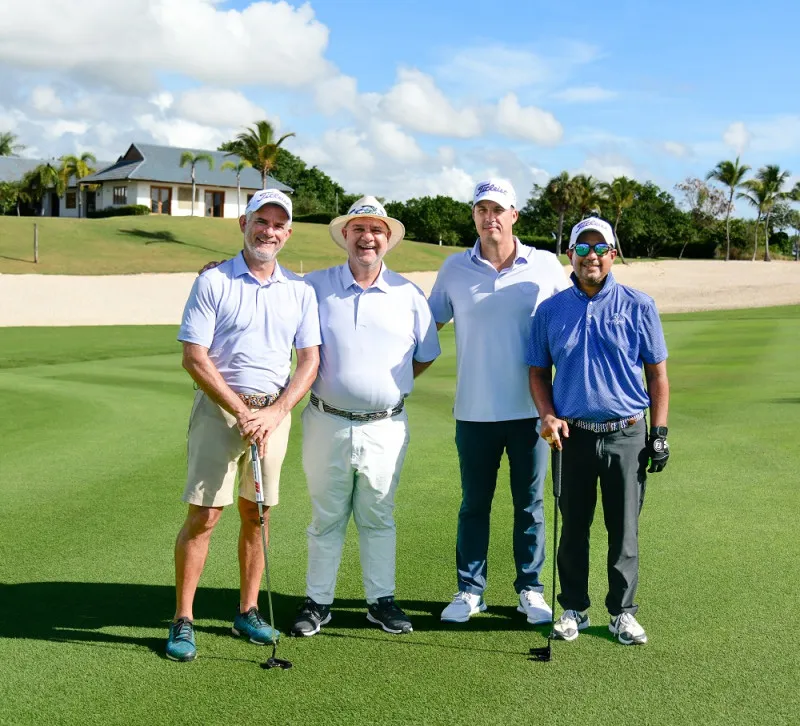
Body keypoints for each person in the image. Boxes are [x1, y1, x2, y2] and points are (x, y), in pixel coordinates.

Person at [166, 189, 321, 662]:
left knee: (259, 514)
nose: (268, 231)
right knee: (205, 515)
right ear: (243, 223)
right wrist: (239, 410)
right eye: (261, 220)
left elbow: (309, 360)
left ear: (288, 233)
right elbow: (195, 356)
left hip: (272, 418)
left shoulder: (300, 290)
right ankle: (183, 619)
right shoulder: (214, 282)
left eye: (278, 224)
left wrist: (274, 413)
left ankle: (247, 611)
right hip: (220, 412)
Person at [290, 197, 440, 637]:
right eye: (358, 229)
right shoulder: (313, 286)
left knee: (378, 515)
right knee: (326, 517)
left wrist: (385, 387)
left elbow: (425, 354)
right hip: (326, 420)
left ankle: (381, 601)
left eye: (376, 230)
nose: (367, 238)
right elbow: (268, 277)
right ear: (346, 236)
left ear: (388, 239)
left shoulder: (409, 295)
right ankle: (318, 603)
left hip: (385, 425)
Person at [428, 179, 570, 625]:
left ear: (514, 216)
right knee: (474, 505)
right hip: (473, 411)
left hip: (532, 412)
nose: (489, 217)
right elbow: (425, 325)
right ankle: (470, 590)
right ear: (474, 216)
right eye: (481, 209)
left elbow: (572, 320)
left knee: (530, 506)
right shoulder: (454, 268)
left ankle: (531, 589)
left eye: (498, 209)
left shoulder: (545, 265)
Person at [526, 216, 670, 646]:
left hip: (627, 433)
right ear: (570, 255)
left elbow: (657, 375)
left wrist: (659, 432)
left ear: (612, 254)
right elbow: (537, 372)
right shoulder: (550, 311)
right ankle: (573, 608)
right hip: (573, 437)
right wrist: (547, 414)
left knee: (623, 529)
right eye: (583, 248)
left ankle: (621, 612)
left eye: (600, 248)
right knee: (574, 528)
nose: (592, 256)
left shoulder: (638, 305)